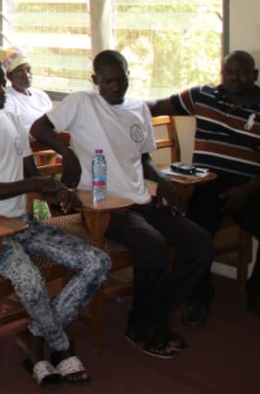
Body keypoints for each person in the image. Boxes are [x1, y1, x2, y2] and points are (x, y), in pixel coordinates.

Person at [30, 50, 213, 359]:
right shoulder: (82, 103)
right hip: (100, 204)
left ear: (129, 74)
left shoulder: (138, 108)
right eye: (108, 81)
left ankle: (153, 315)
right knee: (153, 246)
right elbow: (38, 128)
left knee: (199, 242)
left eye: (122, 79)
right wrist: (68, 152)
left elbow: (143, 158)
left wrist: (163, 181)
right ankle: (142, 326)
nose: (116, 87)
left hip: (141, 197)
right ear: (95, 80)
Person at [0, 57, 110, 386]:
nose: (1, 91)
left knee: (97, 261)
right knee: (31, 280)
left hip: (21, 221)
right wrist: (32, 185)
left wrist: (57, 192)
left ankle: (35, 334)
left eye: (2, 84)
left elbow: (32, 175)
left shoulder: (11, 119)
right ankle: (61, 349)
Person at [149, 50, 260, 326]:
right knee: (195, 235)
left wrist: (248, 190)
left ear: (255, 75)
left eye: (241, 72)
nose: (234, 77)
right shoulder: (203, 96)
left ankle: (259, 294)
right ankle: (197, 298)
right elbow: (157, 105)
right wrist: (118, 106)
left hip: (249, 186)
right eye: (228, 72)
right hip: (207, 183)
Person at [0, 46, 53, 131]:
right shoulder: (7, 99)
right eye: (19, 72)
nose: (26, 76)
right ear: (9, 76)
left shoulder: (41, 95)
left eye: (28, 70)